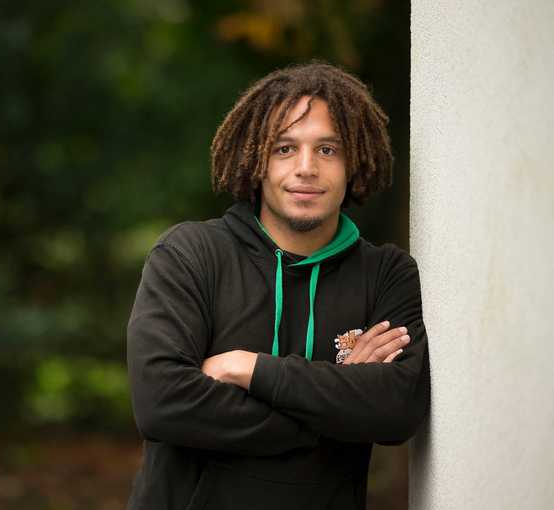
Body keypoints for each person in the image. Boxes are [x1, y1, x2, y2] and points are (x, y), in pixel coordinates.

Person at [125, 62, 430, 509]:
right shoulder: (191, 255)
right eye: (285, 148)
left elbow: (397, 410)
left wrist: (250, 369)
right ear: (257, 161)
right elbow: (162, 403)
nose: (306, 168)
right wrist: (334, 403)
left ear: (354, 162)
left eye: (328, 150)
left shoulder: (386, 274)